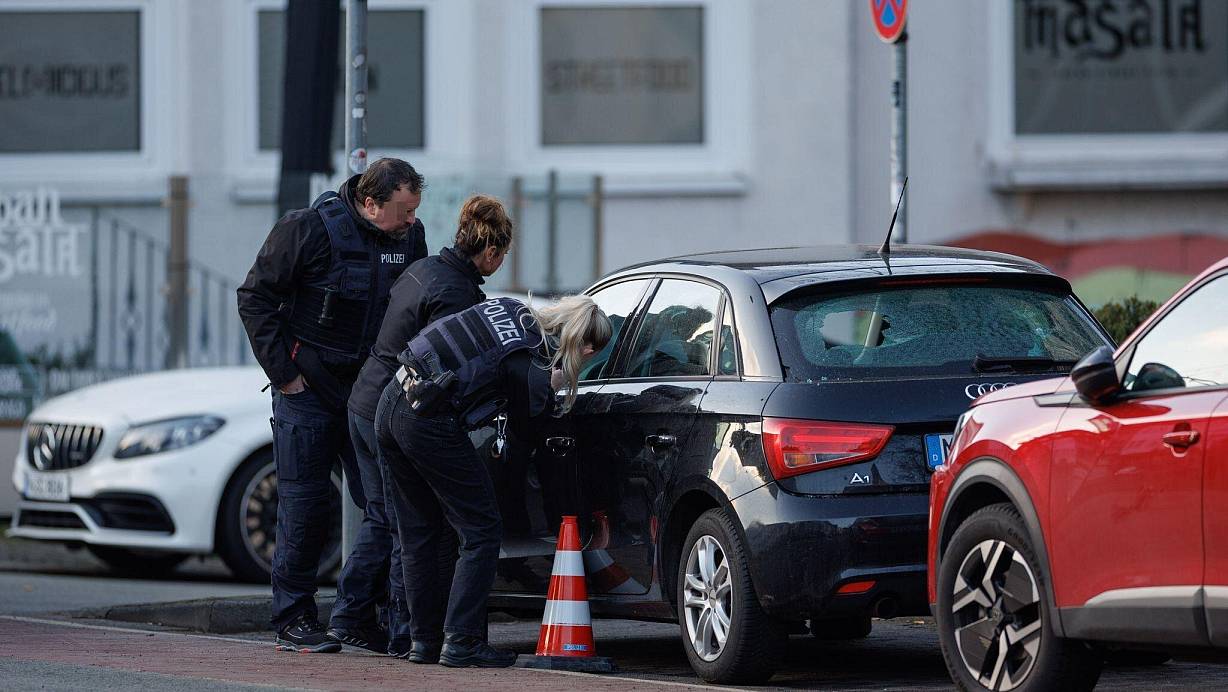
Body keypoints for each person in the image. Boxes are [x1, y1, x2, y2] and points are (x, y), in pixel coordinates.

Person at [236, 158, 426, 653]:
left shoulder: (409, 236)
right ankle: (294, 621)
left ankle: (358, 616)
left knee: (387, 506)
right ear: (369, 202)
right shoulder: (307, 228)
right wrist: (286, 376)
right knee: (303, 508)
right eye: (403, 210)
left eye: (414, 211)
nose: (411, 222)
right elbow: (254, 298)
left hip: (370, 392)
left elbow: (418, 310)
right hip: (310, 390)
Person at [378, 295, 611, 667]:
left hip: (392, 400)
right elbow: (528, 428)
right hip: (428, 419)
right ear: (584, 346)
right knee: (482, 529)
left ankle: (423, 641)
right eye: (589, 355)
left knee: (419, 533)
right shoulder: (531, 362)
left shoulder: (512, 309)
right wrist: (552, 384)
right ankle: (462, 642)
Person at [332, 195, 514, 657]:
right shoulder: (456, 294)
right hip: (403, 408)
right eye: (502, 256)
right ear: (491, 253)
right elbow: (449, 366)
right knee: (407, 525)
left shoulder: (425, 268)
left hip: (366, 400)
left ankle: (387, 627)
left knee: (394, 521)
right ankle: (398, 630)